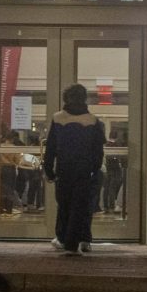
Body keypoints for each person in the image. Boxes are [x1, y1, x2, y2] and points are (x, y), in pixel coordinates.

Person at [43, 83, 106, 255]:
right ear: (84, 98)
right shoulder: (93, 120)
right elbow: (98, 150)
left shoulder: (57, 118)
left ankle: (65, 240)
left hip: (64, 170)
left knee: (64, 205)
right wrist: (94, 169)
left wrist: (49, 170)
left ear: (66, 98)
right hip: (84, 171)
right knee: (82, 206)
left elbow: (51, 148)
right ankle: (81, 240)